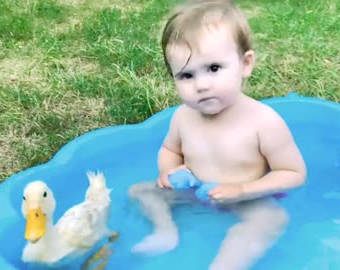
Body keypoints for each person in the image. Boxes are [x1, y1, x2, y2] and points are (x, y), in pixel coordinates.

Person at [128, 0, 307, 269]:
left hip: (247, 198)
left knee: (271, 219)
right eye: (186, 75)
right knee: (140, 191)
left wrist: (243, 190)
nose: (201, 85)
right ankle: (166, 233)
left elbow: (294, 174)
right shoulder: (182, 117)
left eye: (213, 68)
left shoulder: (264, 122)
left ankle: (224, 265)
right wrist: (170, 172)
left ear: (245, 64)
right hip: (196, 190)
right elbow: (170, 150)